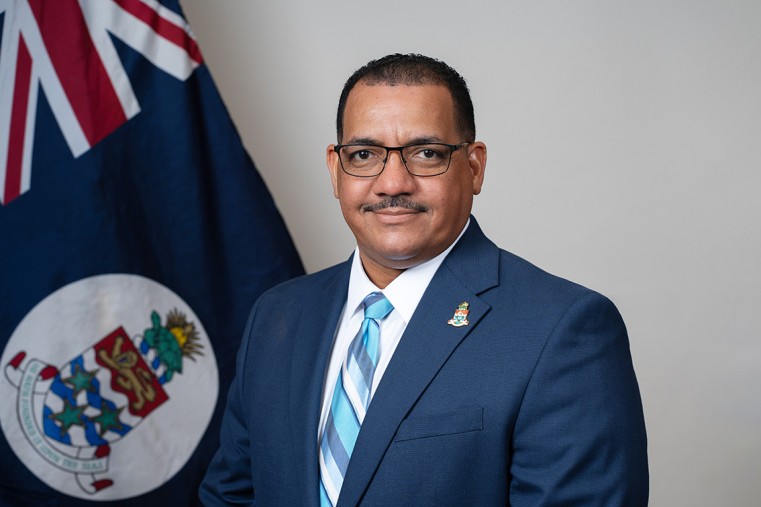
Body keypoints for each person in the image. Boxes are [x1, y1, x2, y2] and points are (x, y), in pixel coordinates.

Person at [199, 53, 648, 506]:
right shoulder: (277, 316)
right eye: (364, 155)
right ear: (335, 170)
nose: (393, 183)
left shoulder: (562, 331)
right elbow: (230, 497)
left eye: (426, 153)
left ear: (474, 167)